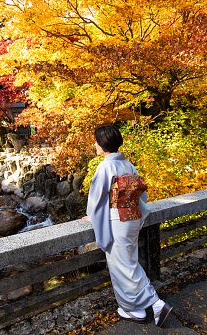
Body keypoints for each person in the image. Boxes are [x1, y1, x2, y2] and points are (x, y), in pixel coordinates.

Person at [81, 125, 172, 327]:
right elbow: (142, 196)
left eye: (96, 141)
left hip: (116, 222)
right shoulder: (129, 165)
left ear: (103, 144)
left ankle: (155, 304)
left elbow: (97, 199)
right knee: (127, 263)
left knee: (125, 266)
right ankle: (134, 309)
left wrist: (92, 216)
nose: (94, 144)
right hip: (131, 218)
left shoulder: (105, 167)